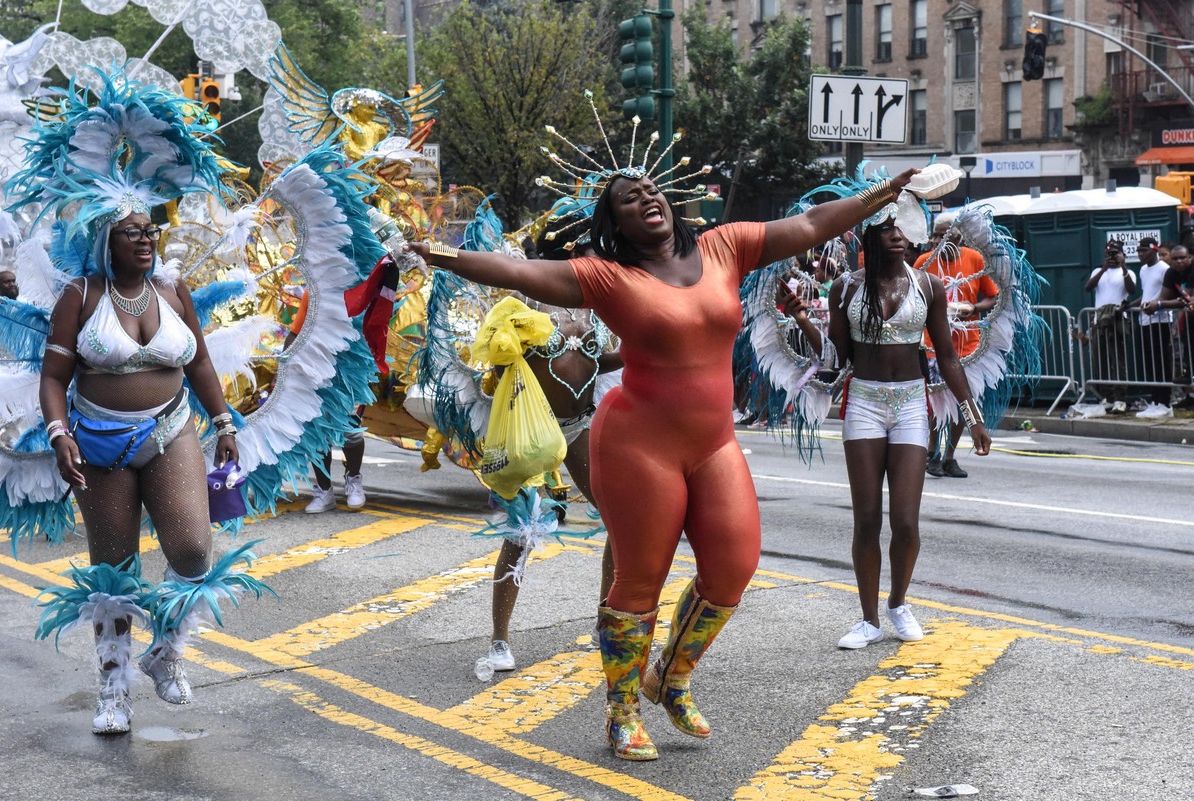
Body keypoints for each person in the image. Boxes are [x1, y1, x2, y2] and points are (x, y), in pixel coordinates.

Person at [408, 158, 919, 761]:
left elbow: (807, 225)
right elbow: (521, 272)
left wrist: (874, 196)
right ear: (616, 224)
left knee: (733, 567)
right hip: (638, 445)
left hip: (714, 443)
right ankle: (621, 710)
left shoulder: (725, 247)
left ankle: (670, 677)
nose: (645, 197)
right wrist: (443, 257)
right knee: (639, 581)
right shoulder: (606, 277)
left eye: (650, 188)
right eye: (628, 199)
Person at [38, 211, 273, 734]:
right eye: (131, 233)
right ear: (106, 241)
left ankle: (167, 651)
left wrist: (223, 423)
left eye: (150, 232)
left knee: (192, 550)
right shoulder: (81, 296)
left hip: (172, 431)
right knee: (114, 573)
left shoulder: (173, 290)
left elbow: (201, 363)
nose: (145, 241)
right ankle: (114, 689)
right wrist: (60, 434)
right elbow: (53, 377)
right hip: (102, 444)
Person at [782, 207, 991, 651]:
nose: (897, 236)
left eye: (903, 230)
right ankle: (869, 619)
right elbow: (836, 357)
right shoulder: (846, 286)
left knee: (907, 523)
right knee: (866, 521)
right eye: (888, 229)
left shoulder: (928, 286)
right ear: (870, 237)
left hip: (912, 404)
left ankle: (898, 603)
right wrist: (802, 319)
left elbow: (949, 358)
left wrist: (972, 418)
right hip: (865, 404)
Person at [486, 219, 621, 672]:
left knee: (620, 525)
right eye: (589, 251)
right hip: (531, 430)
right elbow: (494, 361)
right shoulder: (525, 297)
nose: (597, 261)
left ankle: (607, 622)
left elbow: (600, 362)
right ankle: (500, 640)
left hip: (579, 426)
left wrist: (650, 346)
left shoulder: (595, 306)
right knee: (522, 533)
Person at [914, 214, 998, 478]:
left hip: (969, 344)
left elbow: (992, 297)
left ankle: (950, 456)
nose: (937, 240)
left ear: (958, 236)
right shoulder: (923, 262)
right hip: (932, 345)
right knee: (938, 402)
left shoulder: (974, 259)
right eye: (935, 235)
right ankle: (932, 453)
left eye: (943, 235)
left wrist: (972, 307)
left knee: (964, 403)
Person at [285, 288, 368, 512]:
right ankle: (324, 490)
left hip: (350, 371)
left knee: (351, 430)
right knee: (318, 432)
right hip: (316, 370)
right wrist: (285, 369)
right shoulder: (312, 293)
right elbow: (295, 332)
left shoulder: (361, 290)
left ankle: (354, 480)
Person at [1084, 240, 1136, 413]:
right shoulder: (1098, 271)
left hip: (1118, 319)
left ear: (1122, 254)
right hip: (1100, 321)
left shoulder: (1127, 272)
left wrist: (1124, 267)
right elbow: (1088, 287)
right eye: (1109, 254)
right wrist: (1104, 269)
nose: (1112, 257)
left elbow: (1132, 289)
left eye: (1115, 254)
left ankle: (1120, 398)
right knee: (1100, 360)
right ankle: (1106, 397)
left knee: (1118, 361)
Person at [1141, 244, 1194, 407]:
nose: (1179, 261)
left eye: (1182, 258)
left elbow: (1189, 298)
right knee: (1189, 357)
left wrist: (1160, 305)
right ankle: (1191, 396)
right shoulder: (1171, 273)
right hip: (1190, 318)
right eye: (1175, 258)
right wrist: (1153, 304)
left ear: (1190, 257)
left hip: (1189, 311)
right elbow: (1164, 296)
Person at [1131, 237, 1174, 418]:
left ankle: (1165, 404)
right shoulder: (1142, 270)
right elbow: (1146, 294)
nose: (1141, 255)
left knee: (1161, 362)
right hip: (1145, 320)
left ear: (1154, 250)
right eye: (1139, 251)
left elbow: (1168, 293)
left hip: (1161, 320)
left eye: (1144, 251)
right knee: (1150, 364)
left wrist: (1157, 304)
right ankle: (1155, 402)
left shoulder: (1165, 269)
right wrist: (1129, 305)